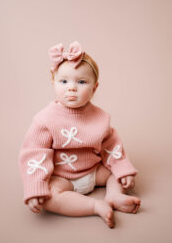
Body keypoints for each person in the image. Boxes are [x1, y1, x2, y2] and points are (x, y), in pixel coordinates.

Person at [18, 41, 141, 228]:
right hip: (63, 178)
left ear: (95, 87)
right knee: (49, 197)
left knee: (118, 172)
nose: (71, 88)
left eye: (81, 82)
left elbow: (112, 146)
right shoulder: (45, 120)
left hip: (94, 170)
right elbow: (34, 154)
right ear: (53, 83)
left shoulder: (100, 117)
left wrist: (122, 168)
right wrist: (35, 187)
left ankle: (114, 195)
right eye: (64, 81)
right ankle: (94, 206)